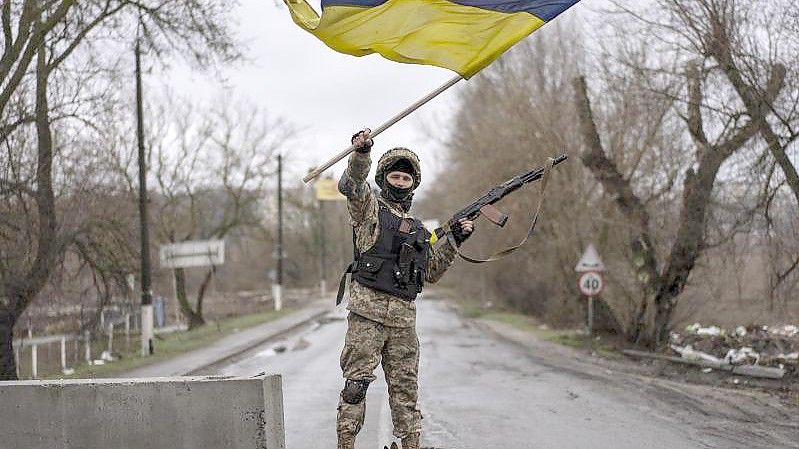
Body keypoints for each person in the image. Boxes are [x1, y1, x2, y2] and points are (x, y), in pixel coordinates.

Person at [336, 129, 474, 449]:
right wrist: (361, 155)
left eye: (405, 179)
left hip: (403, 321)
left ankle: (411, 445)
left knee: (406, 393)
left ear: (413, 184)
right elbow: (352, 186)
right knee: (356, 386)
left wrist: (455, 239)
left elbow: (432, 272)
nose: (400, 182)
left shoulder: (419, 230)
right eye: (395, 176)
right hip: (367, 316)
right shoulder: (369, 210)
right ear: (384, 178)